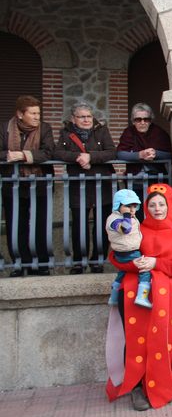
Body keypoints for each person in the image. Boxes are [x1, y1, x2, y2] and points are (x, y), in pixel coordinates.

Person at [106, 183, 172, 411]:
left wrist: (157, 263)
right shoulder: (134, 229)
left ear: (169, 206)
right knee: (134, 340)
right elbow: (115, 256)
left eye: (161, 204)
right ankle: (136, 387)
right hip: (132, 296)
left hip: (165, 300)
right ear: (145, 207)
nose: (157, 209)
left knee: (162, 340)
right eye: (152, 205)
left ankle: (162, 383)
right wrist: (134, 264)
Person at [54, 101, 116, 274]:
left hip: (101, 185)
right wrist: (78, 157)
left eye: (89, 116)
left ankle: (97, 261)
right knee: (79, 225)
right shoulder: (66, 133)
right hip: (78, 186)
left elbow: (112, 152)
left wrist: (90, 157)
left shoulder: (102, 131)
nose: (87, 120)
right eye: (82, 117)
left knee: (101, 225)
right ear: (74, 119)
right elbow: (57, 152)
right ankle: (78, 262)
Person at [1, 95, 55, 276]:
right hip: (13, 184)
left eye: (38, 113)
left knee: (41, 223)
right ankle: (20, 264)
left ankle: (42, 264)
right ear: (20, 114)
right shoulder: (5, 128)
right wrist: (8, 155)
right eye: (32, 113)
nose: (37, 116)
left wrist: (23, 155)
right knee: (16, 224)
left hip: (40, 184)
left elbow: (48, 152)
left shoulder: (45, 129)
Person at [106, 189, 151, 308]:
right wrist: (126, 215)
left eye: (134, 206)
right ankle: (142, 297)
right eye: (128, 206)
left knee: (121, 274)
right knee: (145, 271)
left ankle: (113, 298)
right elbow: (125, 229)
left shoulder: (128, 216)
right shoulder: (114, 219)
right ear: (118, 205)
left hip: (126, 251)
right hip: (127, 252)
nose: (132, 210)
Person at [116, 102, 172, 178]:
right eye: (138, 119)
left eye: (146, 119)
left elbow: (170, 154)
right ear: (133, 121)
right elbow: (120, 154)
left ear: (150, 121)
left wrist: (155, 154)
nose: (142, 123)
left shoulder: (159, 132)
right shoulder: (128, 132)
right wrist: (140, 155)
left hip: (157, 176)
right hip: (134, 176)